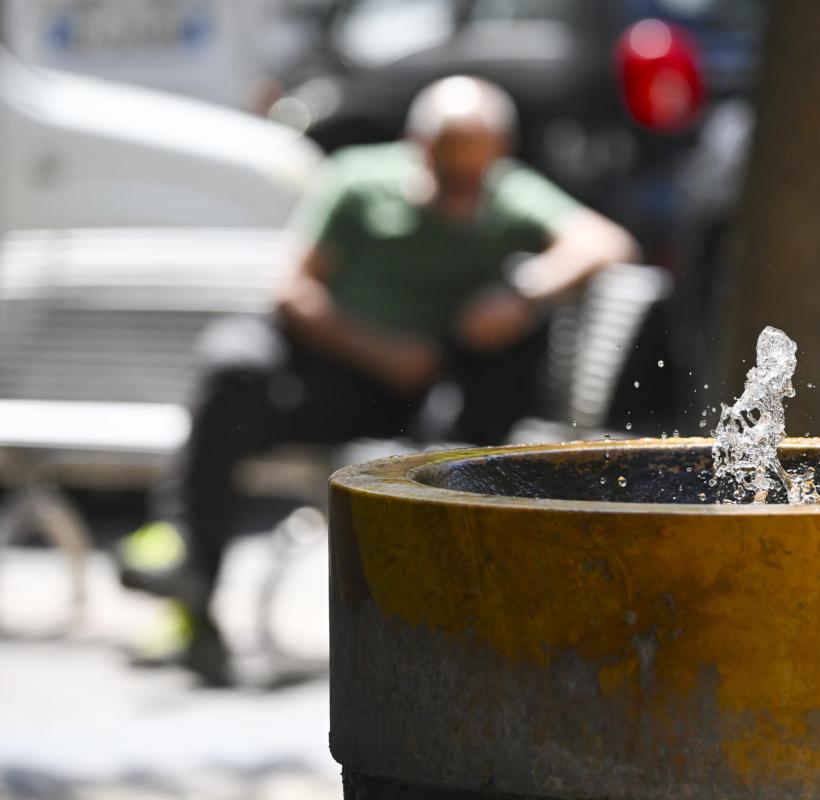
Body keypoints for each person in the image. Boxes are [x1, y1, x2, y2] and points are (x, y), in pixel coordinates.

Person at [118, 76, 639, 684]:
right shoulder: (359, 182)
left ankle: (189, 576)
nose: (464, 187)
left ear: (498, 154)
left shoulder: (510, 197)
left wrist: (522, 295)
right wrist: (378, 348)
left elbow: (606, 241)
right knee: (231, 367)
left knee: (241, 409)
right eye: (451, 170)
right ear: (419, 147)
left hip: (380, 404)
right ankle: (186, 562)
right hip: (319, 359)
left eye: (478, 169)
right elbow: (292, 289)